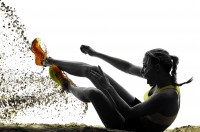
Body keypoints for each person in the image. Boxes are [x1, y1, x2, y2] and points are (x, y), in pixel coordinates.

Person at [31, 38, 192, 132]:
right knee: (94, 71)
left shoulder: (168, 96)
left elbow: (128, 113)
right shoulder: (160, 76)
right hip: (139, 113)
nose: (142, 71)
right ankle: (46, 61)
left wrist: (107, 87)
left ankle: (66, 85)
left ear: (157, 69)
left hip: (132, 126)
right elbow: (128, 67)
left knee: (95, 93)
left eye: (145, 66)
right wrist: (96, 54)